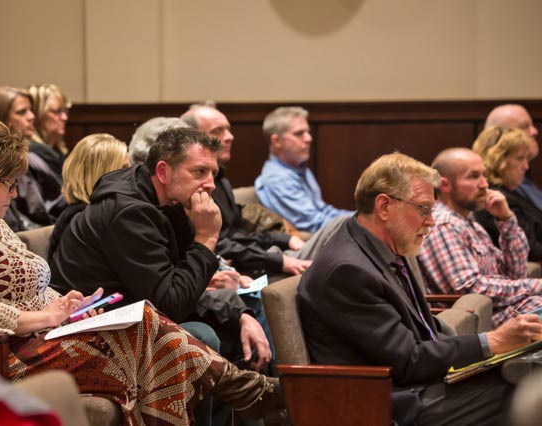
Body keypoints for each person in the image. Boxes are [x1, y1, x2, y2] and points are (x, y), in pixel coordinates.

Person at [0, 116, 282, 425]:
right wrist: (48, 316)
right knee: (146, 325)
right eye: (8, 182)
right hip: (2, 356)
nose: (15, 194)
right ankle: (246, 389)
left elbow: (32, 288)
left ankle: (244, 389)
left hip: (43, 338)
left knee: (144, 325)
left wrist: (69, 306)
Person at [298, 151, 542, 425]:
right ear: (384, 207)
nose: (432, 221)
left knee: (523, 369)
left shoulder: (378, 244)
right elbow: (408, 361)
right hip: (389, 402)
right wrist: (493, 341)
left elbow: (423, 331)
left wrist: (486, 351)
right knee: (525, 386)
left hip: (419, 384)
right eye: (424, 209)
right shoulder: (347, 271)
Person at [51, 127, 272, 372]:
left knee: (240, 314)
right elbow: (171, 304)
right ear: (163, 172)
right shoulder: (130, 213)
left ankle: (269, 396)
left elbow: (176, 290)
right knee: (202, 335)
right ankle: (266, 394)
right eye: (199, 172)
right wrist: (207, 236)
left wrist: (239, 315)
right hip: (89, 329)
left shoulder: (168, 203)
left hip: (136, 314)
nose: (210, 184)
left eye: (213, 173)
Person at [182, 104, 322, 277]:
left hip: (261, 256)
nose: (230, 137)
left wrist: (283, 239)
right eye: (218, 130)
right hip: (245, 269)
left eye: (229, 129)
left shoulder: (222, 181)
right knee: (341, 228)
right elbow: (219, 244)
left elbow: (238, 235)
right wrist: (277, 260)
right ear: (192, 138)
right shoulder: (192, 189)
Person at [419, 147, 542, 325]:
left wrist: (506, 220)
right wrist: (537, 286)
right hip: (496, 324)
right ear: (444, 185)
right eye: (473, 176)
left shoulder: (470, 223)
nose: (484, 184)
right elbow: (470, 289)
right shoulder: (443, 225)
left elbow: (517, 274)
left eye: (483, 175)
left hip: (518, 310)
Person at [254, 106, 352, 234]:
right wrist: (362, 222)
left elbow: (324, 211)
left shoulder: (299, 168)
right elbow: (315, 224)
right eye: (299, 133)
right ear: (276, 141)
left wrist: (362, 216)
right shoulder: (277, 178)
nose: (308, 138)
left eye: (308, 132)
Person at [0, 86, 63, 227]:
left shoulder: (32, 156)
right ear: (0, 118)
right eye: (22, 112)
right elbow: (15, 222)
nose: (31, 117)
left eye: (31, 110)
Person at [49, 133, 129, 263]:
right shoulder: (82, 220)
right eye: (124, 169)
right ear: (101, 174)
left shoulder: (105, 213)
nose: (131, 177)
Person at [473, 127, 542, 261]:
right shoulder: (495, 199)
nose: (526, 167)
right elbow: (531, 250)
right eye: (520, 158)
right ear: (497, 160)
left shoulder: (515, 192)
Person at [485, 104, 542, 210]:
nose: (534, 131)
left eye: (531, 125)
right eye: (524, 127)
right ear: (499, 139)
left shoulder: (523, 180)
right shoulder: (493, 193)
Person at [28, 83, 70, 177]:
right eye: (56, 112)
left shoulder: (58, 152)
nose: (64, 117)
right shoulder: (31, 155)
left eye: (65, 111)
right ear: (38, 115)